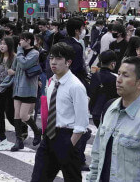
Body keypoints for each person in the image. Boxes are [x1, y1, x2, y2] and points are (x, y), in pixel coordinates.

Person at [87, 56, 140, 181]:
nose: (119, 80)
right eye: (118, 74)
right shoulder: (109, 108)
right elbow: (96, 156)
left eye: (125, 75)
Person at [31, 42, 89, 182]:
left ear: (68, 62)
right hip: (49, 136)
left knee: (72, 178)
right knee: (39, 177)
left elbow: (82, 123)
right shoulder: (52, 81)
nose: (53, 62)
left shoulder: (76, 87)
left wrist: (70, 145)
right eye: (51, 58)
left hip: (67, 137)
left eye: (58, 59)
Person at [10, 32, 41, 151]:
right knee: (16, 115)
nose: (20, 42)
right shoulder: (20, 52)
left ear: (29, 41)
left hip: (28, 88)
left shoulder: (35, 53)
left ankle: (37, 132)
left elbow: (23, 64)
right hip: (17, 86)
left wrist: (19, 52)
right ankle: (19, 140)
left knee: (24, 115)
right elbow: (14, 66)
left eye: (22, 40)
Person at [0, 36, 16, 145]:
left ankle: (23, 127)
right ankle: (0, 137)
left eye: (4, 44)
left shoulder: (15, 58)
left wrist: (14, 72)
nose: (2, 46)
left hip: (11, 88)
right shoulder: (0, 57)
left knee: (10, 114)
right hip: (1, 87)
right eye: (1, 43)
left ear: (10, 46)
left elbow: (21, 73)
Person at [88, 50, 118, 127]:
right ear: (113, 63)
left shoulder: (95, 75)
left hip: (95, 112)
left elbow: (91, 92)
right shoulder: (115, 78)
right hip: (108, 113)